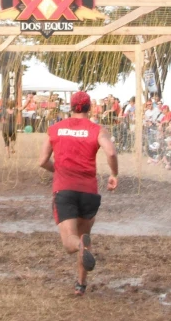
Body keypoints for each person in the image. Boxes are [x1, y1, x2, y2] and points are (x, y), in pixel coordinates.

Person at [38, 91, 118, 296]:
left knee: (70, 242)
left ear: (71, 107)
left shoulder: (56, 129)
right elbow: (110, 152)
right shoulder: (97, 129)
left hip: (65, 189)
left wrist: (59, 170)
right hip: (89, 192)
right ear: (89, 108)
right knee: (85, 235)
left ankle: (80, 246)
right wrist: (114, 174)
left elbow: (42, 161)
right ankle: (80, 285)